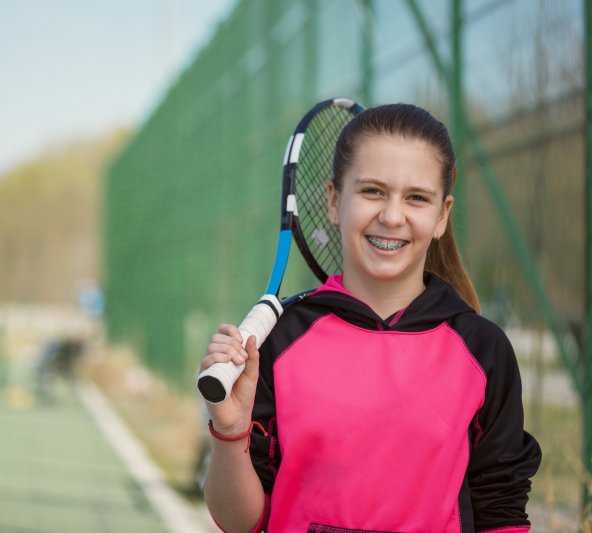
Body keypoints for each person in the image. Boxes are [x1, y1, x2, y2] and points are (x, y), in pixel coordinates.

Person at [199, 103, 541, 532]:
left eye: (416, 198)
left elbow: (501, 510)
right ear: (333, 201)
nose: (392, 216)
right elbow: (240, 522)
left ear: (442, 216)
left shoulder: (483, 350)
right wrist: (230, 432)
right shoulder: (279, 341)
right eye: (373, 191)